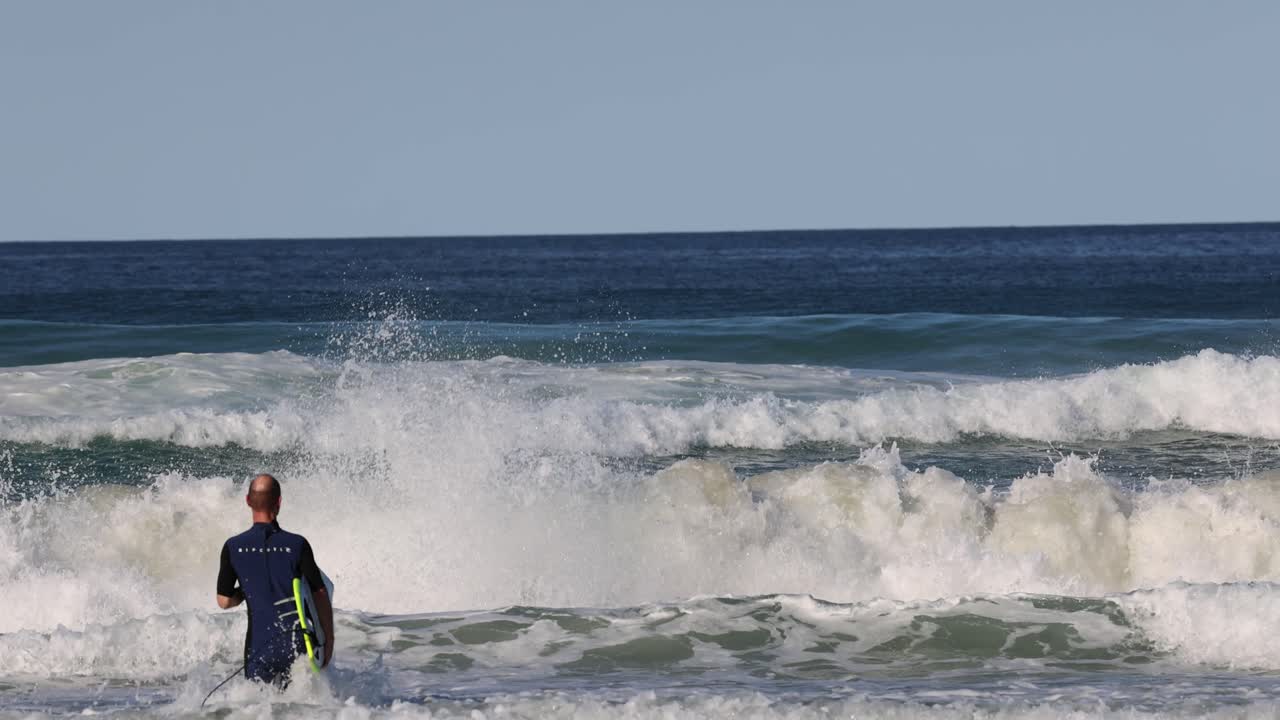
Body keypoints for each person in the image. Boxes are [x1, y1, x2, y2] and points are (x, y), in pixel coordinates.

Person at [216, 473, 334, 685]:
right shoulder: (297, 544)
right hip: (296, 643)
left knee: (258, 703)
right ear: (279, 501)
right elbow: (320, 592)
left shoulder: (233, 546)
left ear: (248, 501)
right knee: (301, 701)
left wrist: (246, 589)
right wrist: (328, 639)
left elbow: (224, 601)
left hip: (259, 646)